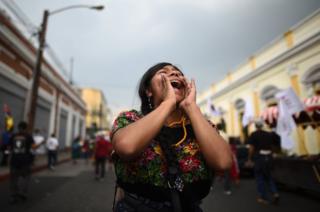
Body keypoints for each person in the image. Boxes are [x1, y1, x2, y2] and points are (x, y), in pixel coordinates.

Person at [111, 62, 232, 212]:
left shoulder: (200, 124)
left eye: (178, 73)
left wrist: (191, 107)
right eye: (164, 72)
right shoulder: (131, 118)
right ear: (149, 91)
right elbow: (126, 147)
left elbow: (224, 162)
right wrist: (168, 103)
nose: (175, 74)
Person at [247, 121, 280, 205]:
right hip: (269, 156)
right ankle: (275, 193)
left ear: (256, 126)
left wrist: (249, 159)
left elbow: (251, 148)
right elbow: (273, 146)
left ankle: (263, 197)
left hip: (259, 157)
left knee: (259, 177)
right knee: (269, 176)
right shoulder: (268, 134)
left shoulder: (253, 134)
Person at [8, 121, 35, 204]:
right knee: (26, 177)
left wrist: (9, 158)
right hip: (25, 160)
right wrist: (41, 143)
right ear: (26, 128)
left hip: (14, 160)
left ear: (18, 127)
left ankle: (13, 195)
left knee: (13, 179)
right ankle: (23, 193)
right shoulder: (28, 136)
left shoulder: (13, 136)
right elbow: (33, 147)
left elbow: (9, 148)